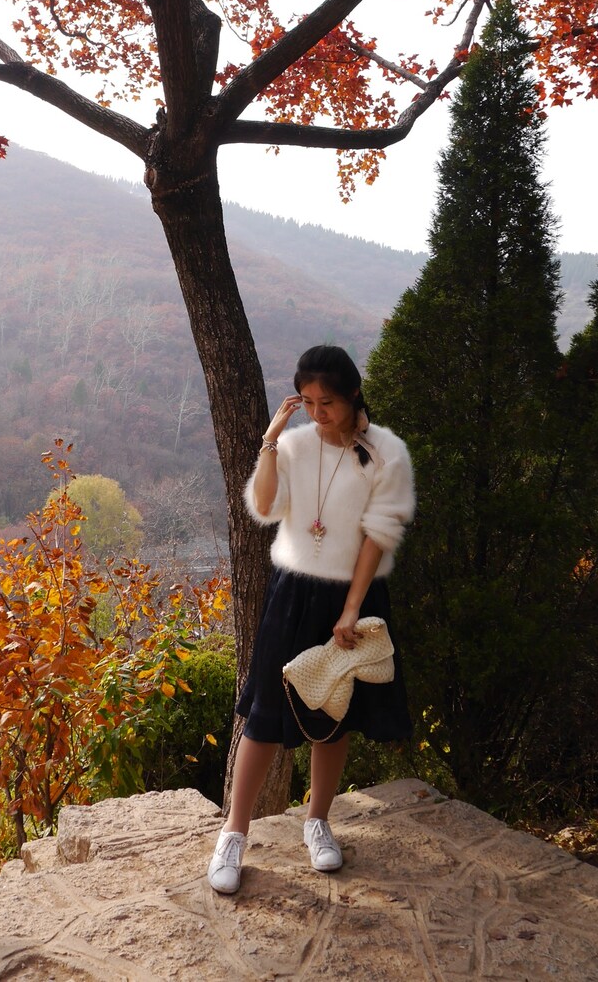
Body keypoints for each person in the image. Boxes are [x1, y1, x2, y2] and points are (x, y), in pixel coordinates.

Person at [208, 344, 415, 894]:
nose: (318, 413)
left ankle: (318, 821)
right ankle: (233, 833)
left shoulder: (385, 452)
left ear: (352, 395)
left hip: (353, 596)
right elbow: (265, 508)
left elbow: (379, 533)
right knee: (263, 715)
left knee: (334, 712)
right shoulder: (295, 445)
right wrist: (271, 441)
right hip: (292, 592)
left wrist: (352, 609)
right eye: (309, 402)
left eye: (329, 403)